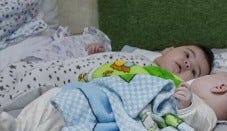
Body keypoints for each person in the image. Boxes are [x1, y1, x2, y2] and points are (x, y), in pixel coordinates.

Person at [0, 70, 227, 131]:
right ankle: (20, 126)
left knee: (47, 120)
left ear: (219, 88)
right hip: (97, 96)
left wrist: (187, 105)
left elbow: (198, 124)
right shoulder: (179, 86)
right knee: (49, 103)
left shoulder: (206, 112)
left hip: (94, 109)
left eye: (210, 76)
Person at [0, 44, 214, 111]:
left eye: (193, 71)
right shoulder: (136, 54)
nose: (187, 64)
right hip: (46, 69)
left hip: (56, 89)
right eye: (187, 55)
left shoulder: (156, 83)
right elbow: (106, 65)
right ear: (169, 48)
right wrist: (98, 55)